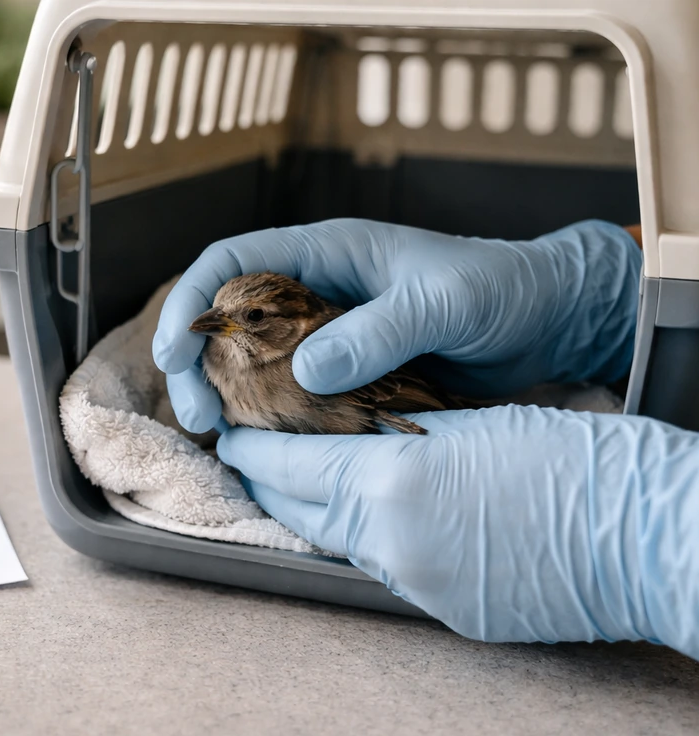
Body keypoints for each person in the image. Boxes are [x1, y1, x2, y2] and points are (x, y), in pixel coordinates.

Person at [151, 218, 699, 661]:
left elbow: (406, 400)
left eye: (250, 318)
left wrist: (633, 537)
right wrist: (617, 290)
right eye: (221, 316)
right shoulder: (220, 359)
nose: (221, 326)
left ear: (291, 325)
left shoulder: (306, 359)